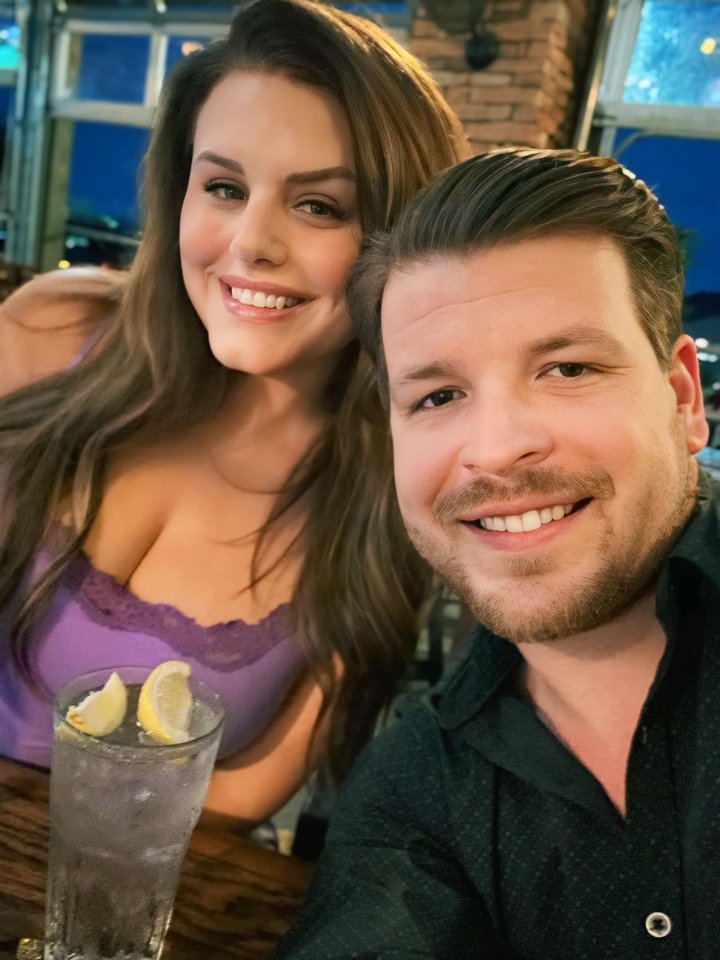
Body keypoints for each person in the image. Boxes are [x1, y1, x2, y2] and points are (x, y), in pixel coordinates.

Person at [0, 0, 469, 826]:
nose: (250, 241)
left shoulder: (393, 499)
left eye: (319, 205)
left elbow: (243, 800)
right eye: (223, 186)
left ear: (403, 245)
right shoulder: (49, 329)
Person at [275, 148, 718, 958]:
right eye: (439, 396)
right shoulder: (414, 794)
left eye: (568, 367)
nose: (497, 448)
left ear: (683, 400)